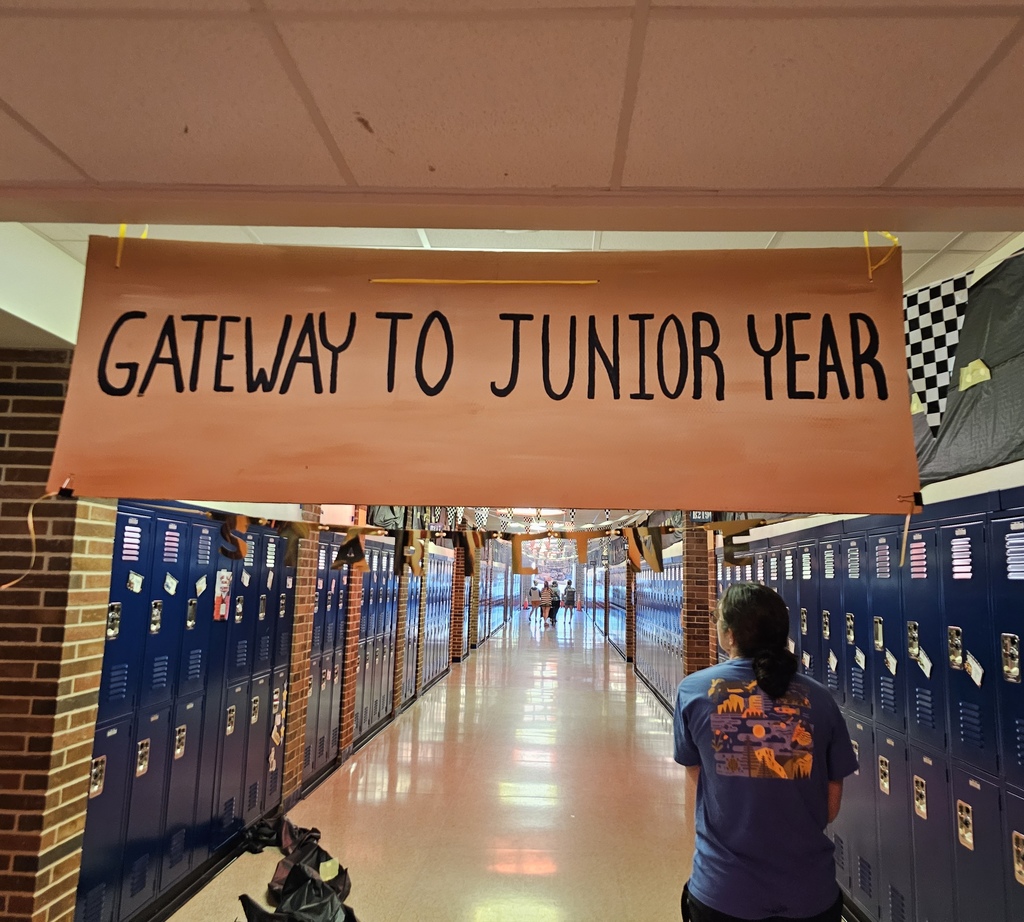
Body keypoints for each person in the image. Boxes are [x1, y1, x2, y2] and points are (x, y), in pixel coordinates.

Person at [673, 583, 858, 922]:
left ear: (729, 635)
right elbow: (830, 808)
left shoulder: (694, 692)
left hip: (723, 890)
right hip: (809, 894)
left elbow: (701, 787)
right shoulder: (820, 700)